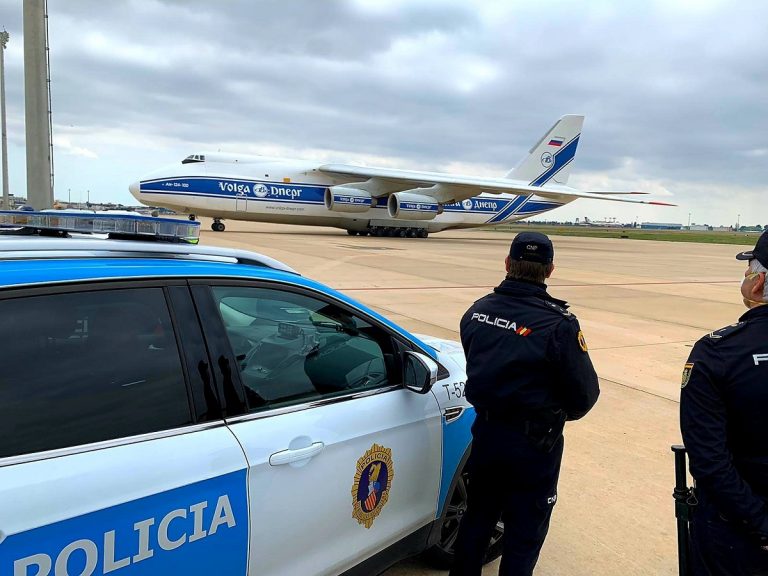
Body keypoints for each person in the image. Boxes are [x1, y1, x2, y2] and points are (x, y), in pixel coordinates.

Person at [450, 232, 600, 576]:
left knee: (477, 518)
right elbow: (584, 396)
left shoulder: (478, 311)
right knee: (525, 531)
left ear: (507, 263)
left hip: (486, 434)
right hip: (533, 444)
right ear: (549, 270)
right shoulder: (558, 324)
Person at [680, 230, 768, 575]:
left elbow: (709, 459)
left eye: (749, 270)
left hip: (736, 530)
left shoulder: (718, 351)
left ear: (758, 283)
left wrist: (760, 522)